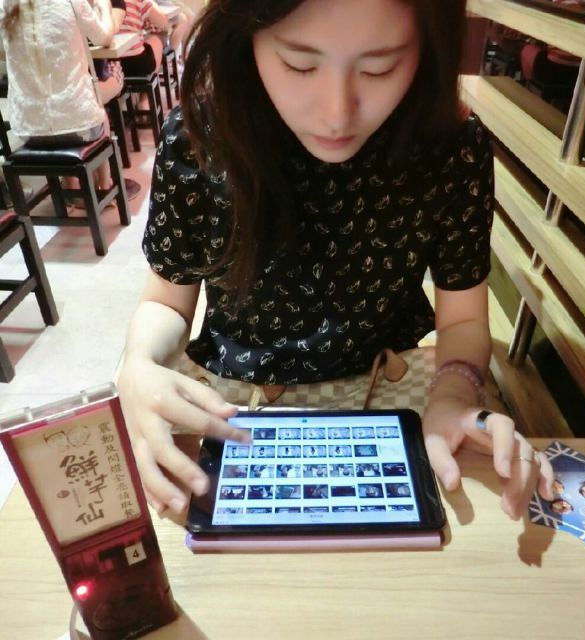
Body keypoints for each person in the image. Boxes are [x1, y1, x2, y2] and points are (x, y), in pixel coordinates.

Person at [117, 0, 555, 518]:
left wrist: (455, 395)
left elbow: (462, 320)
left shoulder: (449, 146)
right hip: (236, 405)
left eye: (380, 68)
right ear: (245, 37)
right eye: (300, 65)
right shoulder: (200, 137)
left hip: (386, 393)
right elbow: (167, 301)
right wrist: (137, 364)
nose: (337, 114)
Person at [0, 0, 115, 187]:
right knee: (98, 114)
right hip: (81, 126)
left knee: (63, 116)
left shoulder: (6, 6)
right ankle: (105, 185)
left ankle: (72, 191)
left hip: (28, 131)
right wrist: (105, 9)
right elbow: (104, 38)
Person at [118, 0, 168, 77]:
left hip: (108, 62)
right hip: (137, 62)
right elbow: (163, 23)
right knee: (156, 41)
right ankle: (151, 77)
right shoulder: (139, 1)